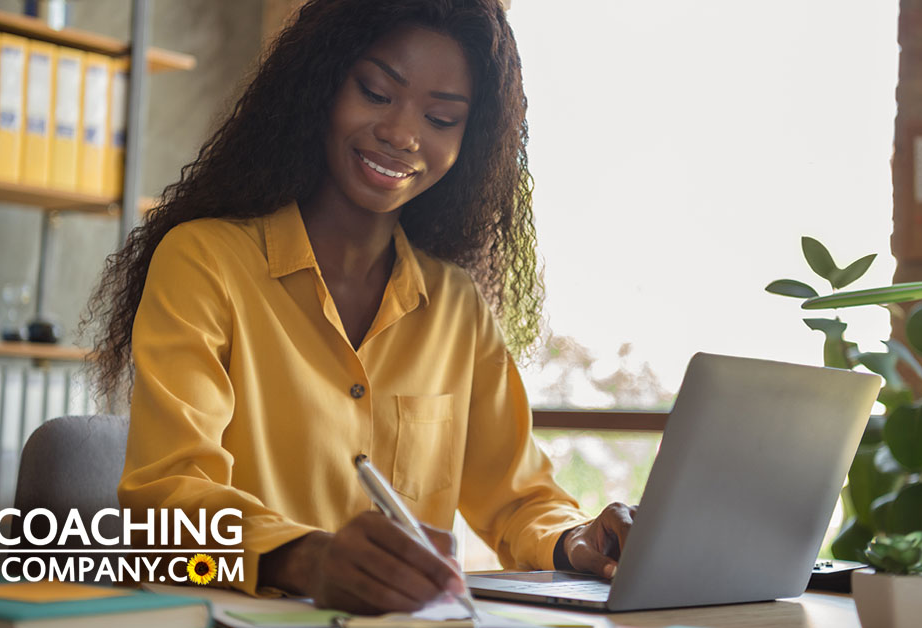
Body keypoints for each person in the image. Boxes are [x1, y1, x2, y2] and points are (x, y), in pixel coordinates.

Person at [85, 0, 635, 615]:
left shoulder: (457, 306)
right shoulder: (204, 262)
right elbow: (165, 502)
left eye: (440, 117)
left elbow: (517, 499)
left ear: (468, 142)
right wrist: (305, 557)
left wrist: (579, 539)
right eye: (376, 93)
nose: (402, 134)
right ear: (321, 83)